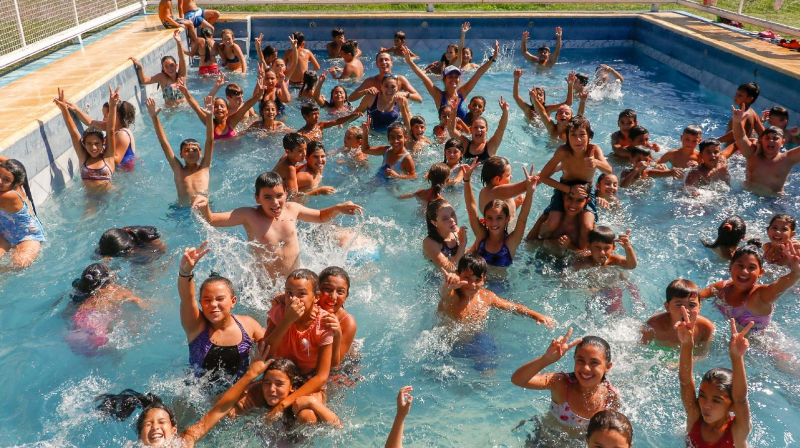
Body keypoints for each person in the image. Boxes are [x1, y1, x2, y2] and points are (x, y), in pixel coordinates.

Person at [95, 340, 276, 447]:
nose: (156, 427)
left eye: (161, 422)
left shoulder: (185, 441)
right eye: (148, 424)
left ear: (174, 430)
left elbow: (219, 409)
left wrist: (251, 374)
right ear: (140, 433)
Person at [192, 171, 362, 279]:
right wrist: (205, 205)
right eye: (267, 197)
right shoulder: (249, 215)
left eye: (279, 195)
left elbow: (320, 216)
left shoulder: (292, 209)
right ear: (257, 198)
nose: (275, 202)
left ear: (286, 194)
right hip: (264, 288)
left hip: (294, 281)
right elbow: (212, 220)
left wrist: (338, 208)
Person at [177, 242, 265, 383]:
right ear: (200, 303)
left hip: (238, 394)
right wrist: (185, 272)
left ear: (233, 301)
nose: (213, 305)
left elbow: (272, 351)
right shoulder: (197, 327)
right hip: (200, 396)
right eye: (207, 300)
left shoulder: (248, 325)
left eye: (220, 299)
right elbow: (187, 299)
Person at [511, 330, 619, 434]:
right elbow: (518, 380)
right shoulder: (560, 383)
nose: (586, 368)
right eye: (580, 360)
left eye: (594, 362)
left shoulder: (610, 396)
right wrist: (546, 359)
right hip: (544, 440)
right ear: (574, 359)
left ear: (608, 367)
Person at [262, 269, 334, 422]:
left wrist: (282, 405)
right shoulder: (280, 312)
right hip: (279, 378)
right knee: (241, 404)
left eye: (301, 294)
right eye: (289, 293)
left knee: (307, 417)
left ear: (317, 297)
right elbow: (264, 353)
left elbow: (321, 376)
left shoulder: (324, 324)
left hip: (307, 380)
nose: (293, 299)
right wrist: (287, 321)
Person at [677, 317, 753, 448]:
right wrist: (687, 343)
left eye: (716, 400)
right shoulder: (695, 417)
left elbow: (740, 399)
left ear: (732, 407)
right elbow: (685, 382)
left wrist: (736, 356)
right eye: (702, 395)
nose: (706, 405)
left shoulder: (737, 431)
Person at [537, 116, 611, 249]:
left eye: (582, 135)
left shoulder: (593, 150)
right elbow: (543, 176)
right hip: (565, 187)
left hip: (586, 190)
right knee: (553, 222)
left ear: (590, 136)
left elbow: (609, 169)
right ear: (566, 137)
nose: (578, 140)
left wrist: (596, 162)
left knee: (587, 227)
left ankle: (579, 253)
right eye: (573, 135)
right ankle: (540, 242)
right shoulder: (563, 151)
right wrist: (567, 190)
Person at [700, 241, 800, 331]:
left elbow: (779, 286)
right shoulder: (721, 288)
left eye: (751, 267)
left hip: (761, 347)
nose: (744, 271)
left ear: (760, 273)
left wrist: (796, 272)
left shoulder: (760, 296)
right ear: (730, 267)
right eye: (740, 265)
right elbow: (694, 297)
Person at [439, 254, 555, 327]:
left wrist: (536, 315)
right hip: (450, 343)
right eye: (467, 278)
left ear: (484, 280)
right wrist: (449, 283)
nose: (472, 284)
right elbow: (444, 294)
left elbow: (512, 307)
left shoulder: (486, 297)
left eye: (477, 279)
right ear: (458, 275)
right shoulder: (454, 295)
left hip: (475, 339)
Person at [462, 161, 538, 268]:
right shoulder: (481, 235)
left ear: (507, 219)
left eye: (499, 218)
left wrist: (530, 193)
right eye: (489, 218)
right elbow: (471, 207)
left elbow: (523, 218)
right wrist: (466, 180)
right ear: (484, 219)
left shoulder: (511, 242)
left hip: (501, 284)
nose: (494, 222)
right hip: (476, 280)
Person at [403, 40, 498, 123]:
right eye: (450, 77)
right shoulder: (439, 96)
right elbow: (424, 77)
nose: (454, 79)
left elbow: (478, 74)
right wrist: (410, 62)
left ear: (459, 79)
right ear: (444, 79)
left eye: (456, 77)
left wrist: (493, 59)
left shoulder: (462, 92)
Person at [229, 357, 341, 426]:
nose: (272, 389)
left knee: (307, 416)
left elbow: (338, 426)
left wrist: (313, 403)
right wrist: (236, 403)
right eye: (267, 383)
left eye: (279, 384)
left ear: (291, 386)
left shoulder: (306, 401)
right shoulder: (258, 395)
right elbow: (224, 410)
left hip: (334, 381)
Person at [147, 98, 214, 207]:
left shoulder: (204, 167)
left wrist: (210, 116)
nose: (191, 152)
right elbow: (164, 143)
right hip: (182, 210)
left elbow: (210, 141)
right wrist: (154, 117)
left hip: (204, 207)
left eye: (194, 150)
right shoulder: (178, 169)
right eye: (186, 150)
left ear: (200, 154)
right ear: (181, 154)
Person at [54, 86, 118, 194]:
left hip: (111, 196)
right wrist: (64, 109)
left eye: (97, 143)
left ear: (104, 142)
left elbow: (110, 130)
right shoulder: (83, 157)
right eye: (89, 144)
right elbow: (73, 133)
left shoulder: (108, 157)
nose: (93, 148)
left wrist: (113, 105)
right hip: (90, 199)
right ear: (83, 143)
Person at [68, 263, 144, 350]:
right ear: (107, 279)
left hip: (75, 329)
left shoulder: (78, 287)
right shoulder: (113, 289)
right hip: (95, 330)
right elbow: (139, 302)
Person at [731, 104, 800, 195]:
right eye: (767, 138)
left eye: (775, 139)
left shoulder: (787, 159)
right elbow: (740, 137)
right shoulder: (752, 154)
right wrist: (737, 121)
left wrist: (798, 135)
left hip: (772, 200)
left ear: (782, 143)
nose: (771, 141)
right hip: (747, 194)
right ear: (761, 140)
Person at [640, 279, 715, 350]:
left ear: (699, 307)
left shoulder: (706, 328)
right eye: (679, 305)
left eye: (692, 305)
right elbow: (640, 349)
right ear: (667, 307)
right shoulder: (654, 325)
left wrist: (676, 364)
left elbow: (701, 355)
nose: (686, 310)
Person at [180, 77, 264, 140]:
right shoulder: (210, 123)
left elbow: (246, 106)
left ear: (227, 110)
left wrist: (258, 96)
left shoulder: (232, 122)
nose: (219, 108)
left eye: (222, 106)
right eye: (216, 106)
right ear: (212, 110)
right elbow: (196, 108)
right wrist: (186, 92)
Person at [65, 99, 137, 170]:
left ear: (115, 117)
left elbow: (116, 161)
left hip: (124, 172)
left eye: (106, 116)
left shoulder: (122, 134)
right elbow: (90, 122)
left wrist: (96, 148)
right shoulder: (111, 126)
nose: (103, 119)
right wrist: (76, 109)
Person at [0, 158, 44, 270]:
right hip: (5, 232)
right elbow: (11, 162)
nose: (0, 181)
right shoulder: (15, 183)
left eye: (6, 179)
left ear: (16, 183)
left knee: (19, 265)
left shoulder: (8, 196)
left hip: (27, 237)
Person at [527, 183, 593, 254]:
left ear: (587, 201)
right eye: (570, 198)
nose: (573, 204)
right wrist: (553, 242)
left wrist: (569, 246)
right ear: (563, 196)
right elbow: (528, 242)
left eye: (579, 200)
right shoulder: (548, 217)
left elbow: (588, 255)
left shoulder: (585, 226)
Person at [129, 30, 188, 105]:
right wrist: (140, 67)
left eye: (172, 65)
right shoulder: (162, 78)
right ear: (163, 69)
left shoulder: (181, 76)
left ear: (176, 66)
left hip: (184, 108)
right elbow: (144, 81)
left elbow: (182, 58)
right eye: (166, 67)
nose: (170, 68)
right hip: (170, 112)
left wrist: (179, 42)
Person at [449, 97, 509, 164]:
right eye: (475, 127)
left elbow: (501, 129)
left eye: (482, 127)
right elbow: (451, 130)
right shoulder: (466, 144)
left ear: (486, 130)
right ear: (471, 130)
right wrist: (453, 111)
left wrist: (505, 112)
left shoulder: (491, 146)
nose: (478, 130)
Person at [349, 50, 422, 103]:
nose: (384, 62)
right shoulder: (370, 81)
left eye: (386, 60)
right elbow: (350, 98)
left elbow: (419, 98)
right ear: (377, 64)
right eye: (381, 60)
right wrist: (365, 92)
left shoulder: (400, 80)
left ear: (391, 63)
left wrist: (406, 94)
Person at [423, 199, 468, 272]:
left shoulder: (457, 232)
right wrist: (462, 243)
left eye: (452, 214)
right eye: (445, 219)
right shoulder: (430, 243)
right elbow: (450, 268)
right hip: (435, 277)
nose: (452, 220)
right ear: (434, 223)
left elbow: (463, 254)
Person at [573, 227, 637, 270]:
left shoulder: (615, 261)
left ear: (613, 248)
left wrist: (628, 248)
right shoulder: (582, 262)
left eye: (607, 248)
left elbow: (631, 266)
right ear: (589, 246)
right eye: (597, 247)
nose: (602, 252)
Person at [297, 103, 362, 143]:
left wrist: (352, 115)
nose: (317, 116)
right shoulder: (301, 134)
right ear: (305, 117)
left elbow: (337, 121)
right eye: (314, 114)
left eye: (318, 113)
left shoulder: (320, 126)